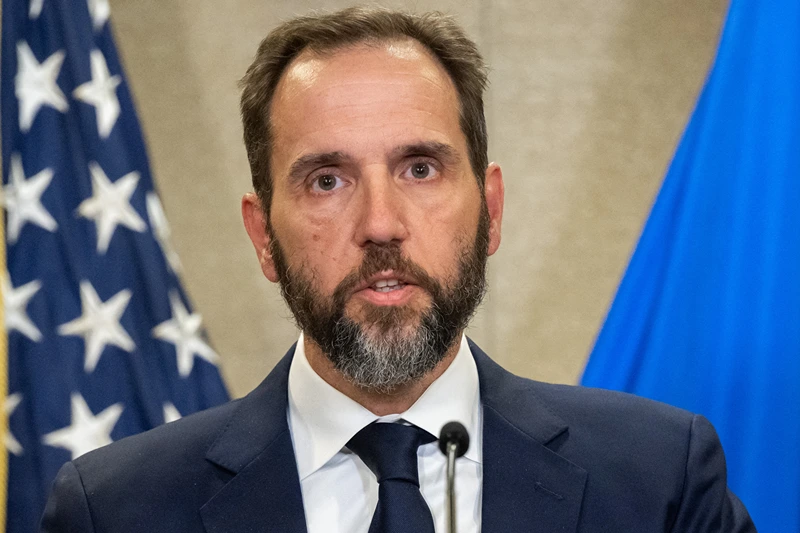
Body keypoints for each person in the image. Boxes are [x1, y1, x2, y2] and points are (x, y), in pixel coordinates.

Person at [41, 6, 756, 533]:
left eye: (420, 167)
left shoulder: (660, 481)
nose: (380, 223)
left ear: (492, 210)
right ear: (262, 236)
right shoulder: (114, 509)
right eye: (327, 179)